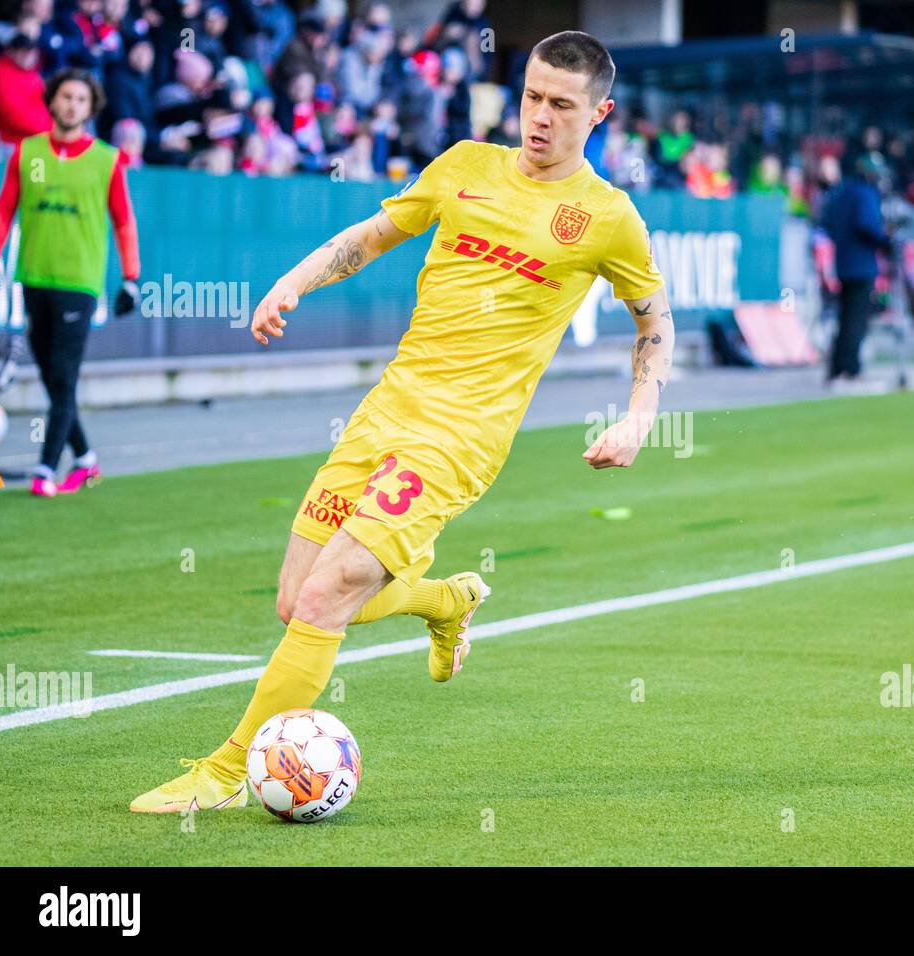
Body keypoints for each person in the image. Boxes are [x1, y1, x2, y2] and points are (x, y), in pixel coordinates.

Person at [130, 30, 673, 814]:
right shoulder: (464, 165)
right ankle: (443, 602)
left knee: (327, 597)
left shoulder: (608, 218)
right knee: (295, 599)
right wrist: (294, 281)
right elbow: (370, 236)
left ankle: (223, 773)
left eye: (561, 104)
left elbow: (656, 322)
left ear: (600, 114)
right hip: (387, 408)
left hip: (460, 438)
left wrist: (638, 420)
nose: (540, 116)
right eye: (531, 96)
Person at [0, 68, 140, 498]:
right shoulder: (28, 153)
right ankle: (86, 459)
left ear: (90, 109)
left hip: (80, 283)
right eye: (66, 97)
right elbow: (3, 211)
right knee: (54, 378)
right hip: (33, 278)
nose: (73, 105)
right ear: (52, 101)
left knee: (63, 375)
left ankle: (44, 469)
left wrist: (131, 277)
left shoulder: (106, 160)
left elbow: (124, 222)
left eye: (81, 99)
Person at [820, 151, 888, 387]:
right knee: (856, 321)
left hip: (843, 263)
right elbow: (867, 225)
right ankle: (850, 369)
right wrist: (884, 238)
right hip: (861, 264)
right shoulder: (864, 193)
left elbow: (828, 222)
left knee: (845, 318)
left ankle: (837, 369)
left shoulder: (842, 192)